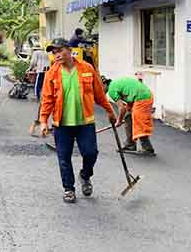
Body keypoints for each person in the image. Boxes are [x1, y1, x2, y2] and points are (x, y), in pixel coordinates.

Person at [40, 39, 116, 204]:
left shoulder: (87, 69)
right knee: (64, 157)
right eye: (54, 52)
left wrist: (110, 111)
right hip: (62, 124)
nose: (57, 55)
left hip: (85, 122)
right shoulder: (51, 74)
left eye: (59, 51)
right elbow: (47, 99)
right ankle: (69, 189)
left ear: (69, 50)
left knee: (90, 153)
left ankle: (85, 175)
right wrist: (44, 120)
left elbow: (99, 94)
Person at [107, 76, 155, 155]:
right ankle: (130, 144)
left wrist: (118, 121)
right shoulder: (115, 84)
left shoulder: (111, 90)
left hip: (141, 98)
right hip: (140, 96)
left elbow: (122, 108)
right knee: (128, 117)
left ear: (105, 84)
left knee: (139, 123)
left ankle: (147, 148)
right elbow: (125, 107)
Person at [28, 43, 51, 135]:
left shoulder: (36, 53)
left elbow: (33, 63)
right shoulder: (45, 53)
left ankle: (38, 96)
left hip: (41, 71)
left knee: (38, 86)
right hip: (48, 71)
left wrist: (30, 68)